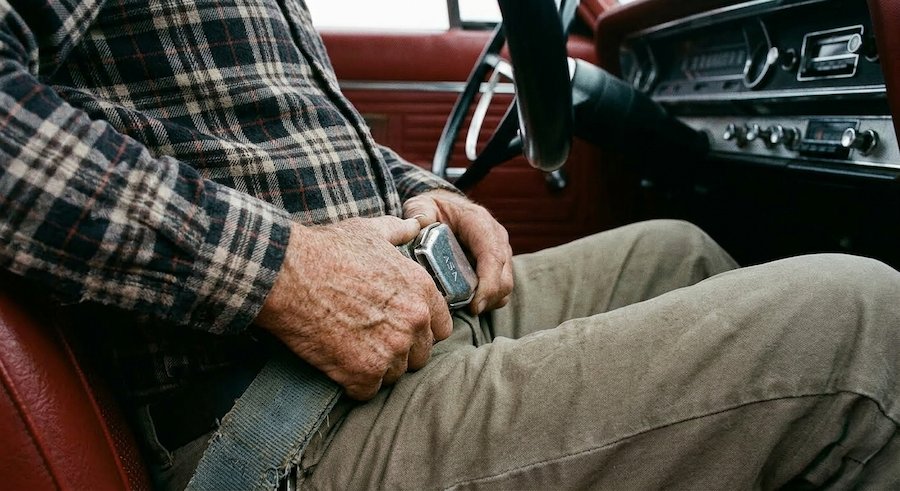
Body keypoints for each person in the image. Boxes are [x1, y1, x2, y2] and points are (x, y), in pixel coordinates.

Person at [0, 0, 897, 489]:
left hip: (380, 334)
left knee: (674, 250)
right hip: (267, 417)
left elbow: (286, 132)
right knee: (862, 329)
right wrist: (284, 273)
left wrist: (416, 187)